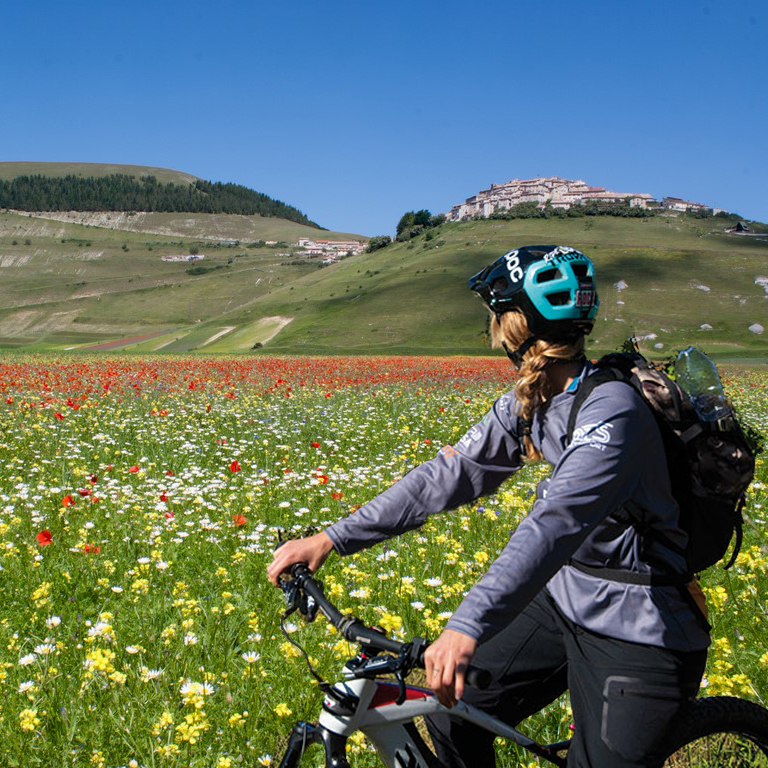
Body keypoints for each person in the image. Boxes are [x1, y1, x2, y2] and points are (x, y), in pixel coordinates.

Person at [268, 244, 709, 768]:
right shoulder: (534, 398)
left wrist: (466, 625)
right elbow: (447, 476)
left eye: (497, 315)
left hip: (639, 625)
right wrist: (333, 538)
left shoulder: (613, 412)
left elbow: (554, 525)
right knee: (449, 708)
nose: (492, 328)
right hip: (565, 600)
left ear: (517, 324)